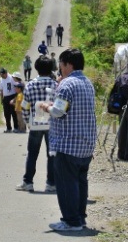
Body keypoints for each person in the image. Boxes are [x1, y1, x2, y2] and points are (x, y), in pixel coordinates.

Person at [38, 49, 97, 232]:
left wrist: (45, 107)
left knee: (67, 183)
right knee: (80, 182)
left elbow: (58, 111)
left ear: (68, 64)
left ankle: (71, 221)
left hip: (67, 143)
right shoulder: (87, 83)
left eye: (61, 65)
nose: (60, 69)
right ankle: (79, 218)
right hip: (86, 143)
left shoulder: (66, 85)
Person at [16, 55, 57, 193]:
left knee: (32, 153)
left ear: (36, 68)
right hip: (52, 124)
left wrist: (27, 121)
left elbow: (25, 106)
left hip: (36, 123)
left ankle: (28, 182)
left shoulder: (30, 85)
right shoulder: (55, 85)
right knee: (51, 154)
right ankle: (51, 183)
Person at [0, 68, 19, 133]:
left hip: (12, 96)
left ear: (6, 73)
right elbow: (1, 90)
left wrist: (16, 98)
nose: (1, 76)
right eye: (0, 74)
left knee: (14, 113)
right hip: (6, 97)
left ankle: (16, 127)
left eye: (2, 74)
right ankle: (8, 128)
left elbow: (17, 87)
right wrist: (1, 99)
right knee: (6, 114)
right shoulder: (1, 79)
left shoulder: (11, 78)